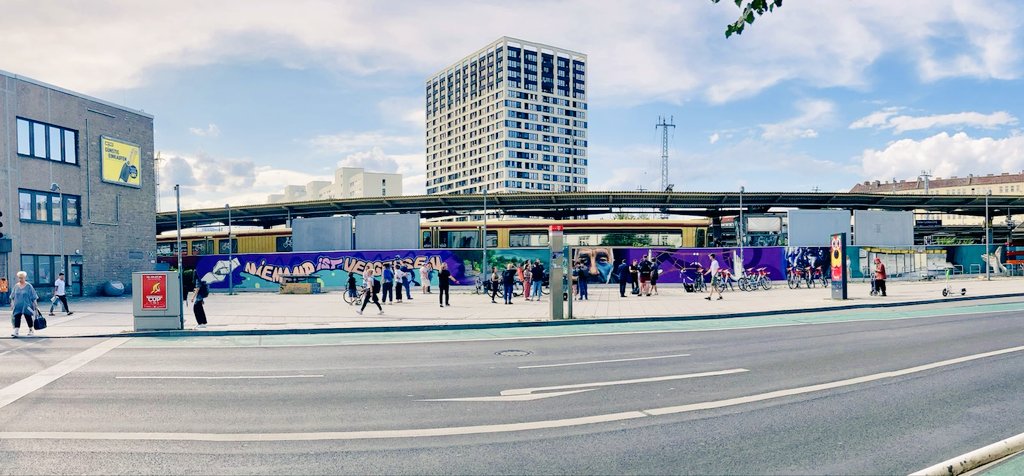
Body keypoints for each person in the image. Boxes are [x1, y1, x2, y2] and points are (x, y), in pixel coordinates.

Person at [9, 271, 38, 337]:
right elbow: (12, 296)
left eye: (21, 278)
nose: (20, 279)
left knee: (28, 317)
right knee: (17, 317)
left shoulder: (28, 286)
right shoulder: (16, 286)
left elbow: (34, 296)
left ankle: (31, 329)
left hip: (27, 305)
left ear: (25, 278)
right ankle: (16, 331)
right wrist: (12, 304)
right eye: (19, 278)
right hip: (18, 305)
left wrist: (35, 304)